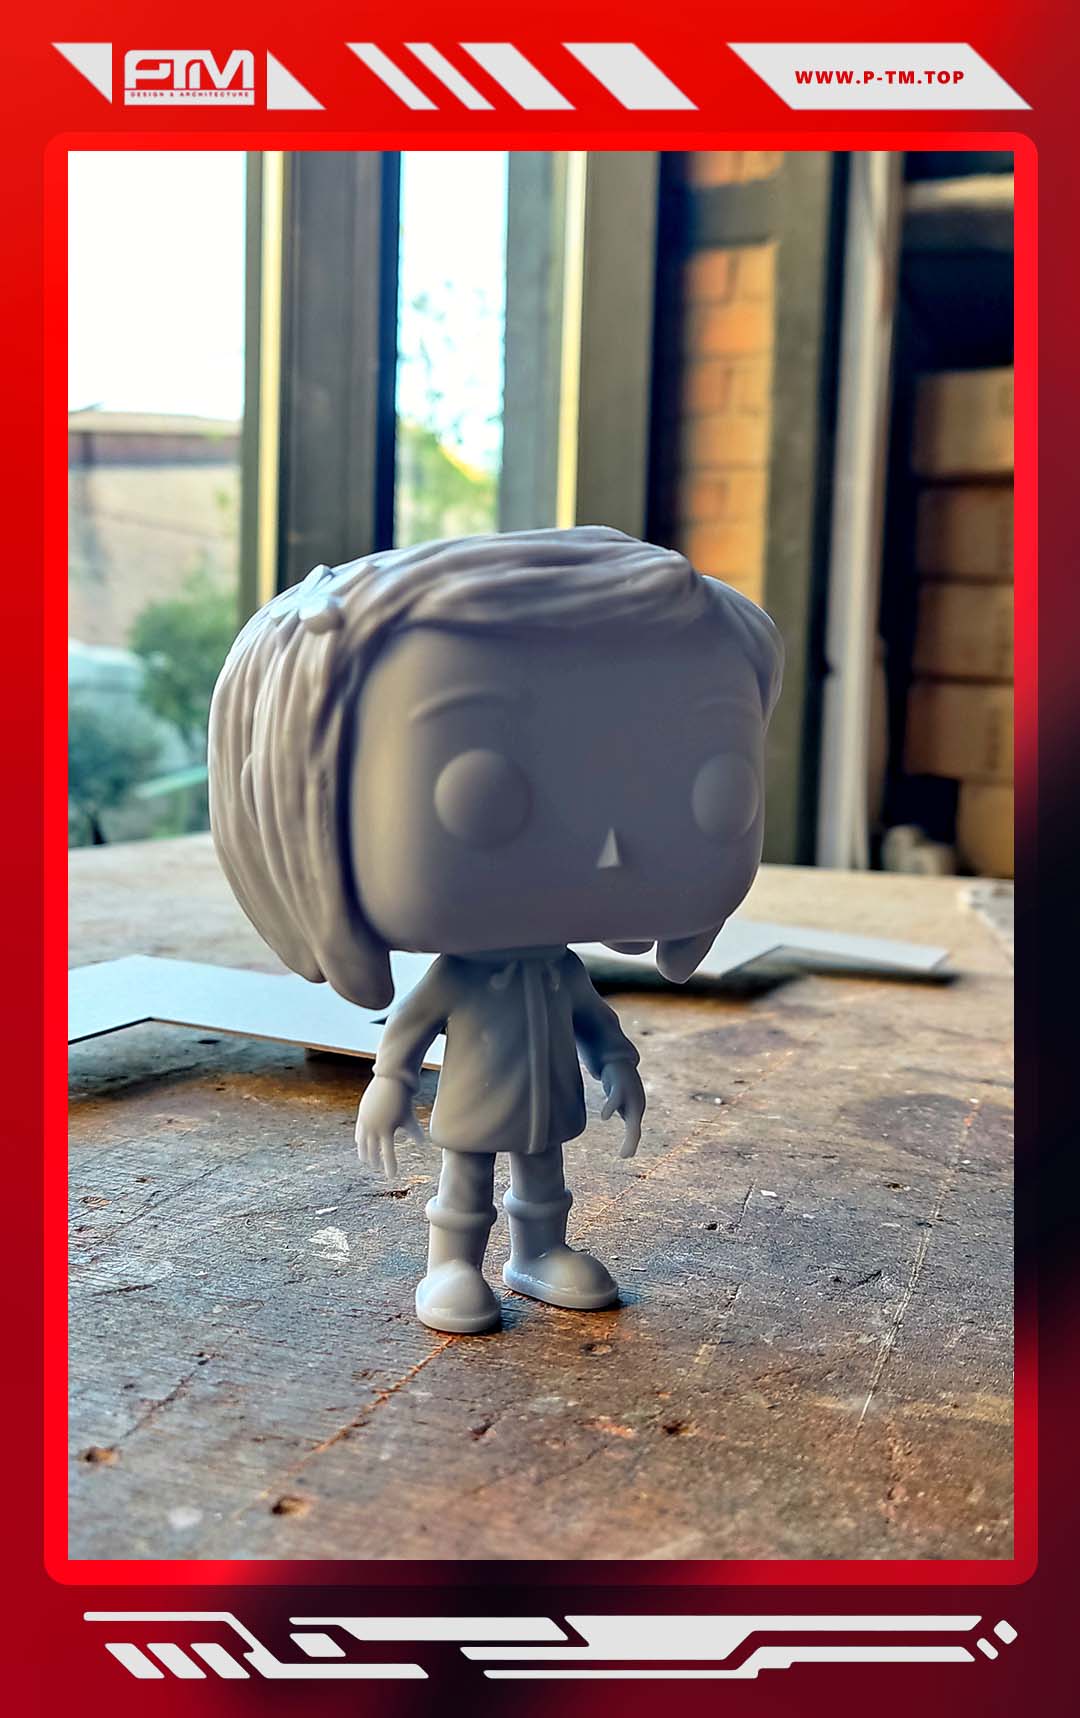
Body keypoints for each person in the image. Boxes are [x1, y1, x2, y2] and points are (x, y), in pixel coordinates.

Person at [209, 526, 782, 1333]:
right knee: (466, 1183)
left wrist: (617, 1063)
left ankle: (539, 1253)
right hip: (476, 1102)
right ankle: (451, 1265)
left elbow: (593, 1019)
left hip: (546, 1100)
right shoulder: (463, 976)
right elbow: (411, 1027)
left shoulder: (557, 970)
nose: (611, 849)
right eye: (483, 790)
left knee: (543, 1179)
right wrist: (388, 1084)